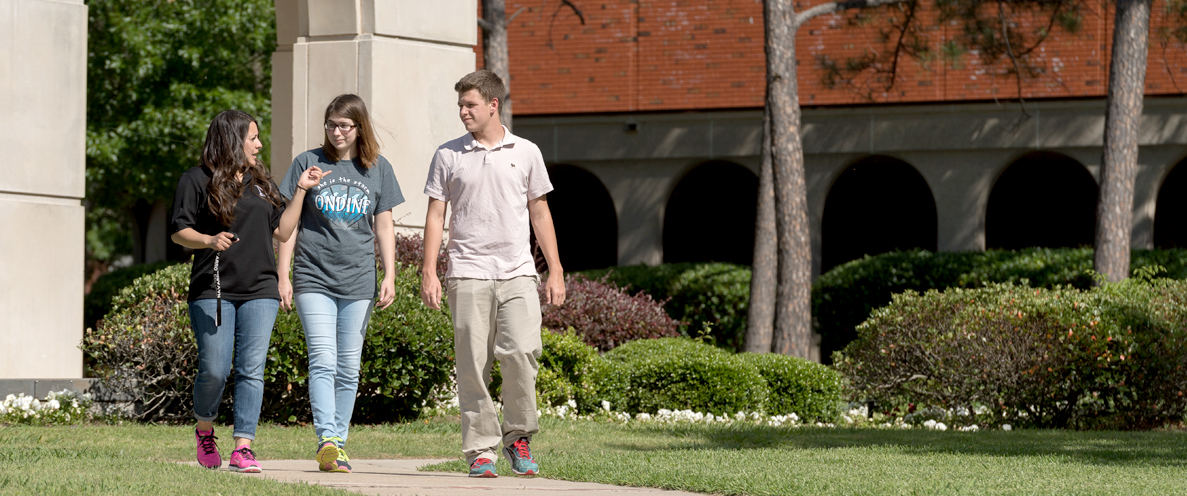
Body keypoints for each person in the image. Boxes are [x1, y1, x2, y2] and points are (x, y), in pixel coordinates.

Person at [420, 70, 566, 478]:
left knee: (522, 352)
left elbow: (540, 212)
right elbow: (436, 216)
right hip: (466, 272)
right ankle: (481, 449)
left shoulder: (527, 151)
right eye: (460, 106)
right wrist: (429, 270)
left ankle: (518, 437)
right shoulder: (448, 154)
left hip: (518, 271)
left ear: (492, 105)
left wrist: (554, 269)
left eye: (470, 105)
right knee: (472, 362)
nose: (463, 112)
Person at [170, 109, 328, 472]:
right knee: (215, 367)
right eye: (253, 137)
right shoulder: (196, 180)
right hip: (214, 289)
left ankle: (243, 446)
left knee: (251, 370)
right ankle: (205, 430)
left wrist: (301, 191)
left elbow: (283, 232)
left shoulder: (260, 183)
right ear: (232, 139)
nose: (259, 144)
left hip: (261, 288)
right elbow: (180, 230)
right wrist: (209, 238)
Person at [277, 94, 404, 474]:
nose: (336, 132)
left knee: (349, 367)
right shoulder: (307, 162)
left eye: (344, 125)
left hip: (358, 280)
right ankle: (326, 440)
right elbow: (288, 226)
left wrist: (390, 274)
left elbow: (384, 225)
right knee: (323, 360)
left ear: (359, 127)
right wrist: (283, 275)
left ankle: (340, 446)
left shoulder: (378, 169)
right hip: (313, 276)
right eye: (331, 124)